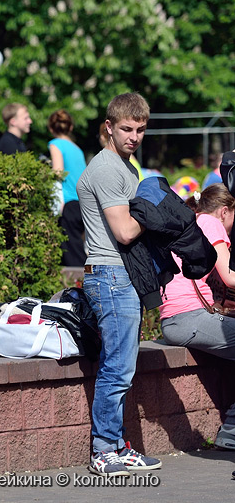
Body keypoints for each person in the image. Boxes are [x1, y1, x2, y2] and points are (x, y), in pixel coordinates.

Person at [76, 92, 161, 477]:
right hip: (110, 275)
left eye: (141, 130)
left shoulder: (126, 166)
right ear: (109, 127)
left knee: (122, 365)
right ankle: (103, 450)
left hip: (120, 274)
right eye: (127, 129)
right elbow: (125, 231)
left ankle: (117, 447)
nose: (134, 137)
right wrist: (158, 213)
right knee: (117, 367)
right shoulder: (108, 169)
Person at [157, 183, 235, 448]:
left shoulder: (190, 221)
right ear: (224, 211)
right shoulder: (211, 223)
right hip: (187, 317)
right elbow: (229, 276)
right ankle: (231, 430)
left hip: (177, 318)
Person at [47, 109, 87, 266]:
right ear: (70, 127)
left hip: (68, 204)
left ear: (51, 128)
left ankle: (82, 280)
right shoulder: (77, 149)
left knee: (71, 255)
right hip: (83, 204)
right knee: (77, 248)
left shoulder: (55, 144)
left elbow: (58, 172)